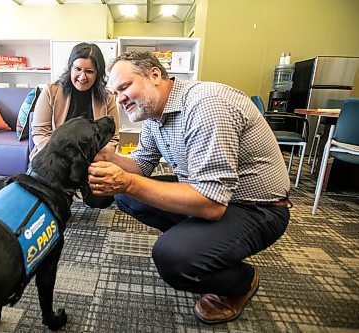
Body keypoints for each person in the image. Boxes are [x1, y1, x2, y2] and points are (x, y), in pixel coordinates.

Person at [87, 51, 291, 324]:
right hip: (212, 196)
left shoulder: (205, 105)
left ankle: (242, 281)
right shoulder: (153, 116)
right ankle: (205, 246)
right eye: (116, 92)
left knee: (172, 257)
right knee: (126, 195)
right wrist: (112, 159)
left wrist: (129, 181)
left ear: (155, 75)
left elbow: (211, 203)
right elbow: (142, 164)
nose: (120, 98)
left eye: (125, 87)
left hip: (257, 207)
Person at [30, 42, 119, 208]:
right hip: (55, 160)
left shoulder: (107, 97)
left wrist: (100, 158)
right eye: (78, 69)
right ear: (70, 67)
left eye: (89, 71)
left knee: (102, 200)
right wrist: (59, 156)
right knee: (45, 205)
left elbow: (113, 137)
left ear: (98, 73)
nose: (82, 76)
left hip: (90, 160)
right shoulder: (51, 91)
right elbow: (40, 132)